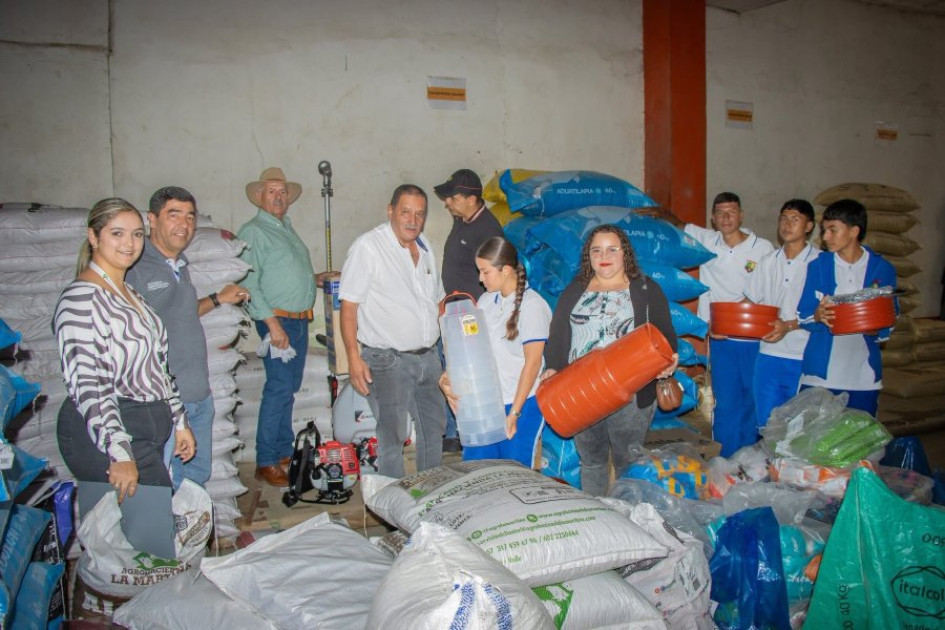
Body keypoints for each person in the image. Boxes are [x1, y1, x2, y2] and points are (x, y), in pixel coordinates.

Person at [54, 198, 196, 503]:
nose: (129, 244)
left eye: (136, 234)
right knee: (148, 534)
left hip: (143, 427)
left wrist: (179, 422)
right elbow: (87, 381)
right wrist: (118, 451)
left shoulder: (129, 294)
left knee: (144, 536)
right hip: (112, 430)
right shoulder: (82, 298)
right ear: (93, 237)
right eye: (117, 233)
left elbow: (158, 368)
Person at [541, 225, 679, 497]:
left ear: (624, 253)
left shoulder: (644, 288)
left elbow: (665, 334)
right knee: (591, 461)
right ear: (588, 256)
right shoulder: (575, 289)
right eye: (597, 250)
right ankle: (599, 518)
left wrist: (669, 360)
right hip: (582, 391)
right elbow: (558, 334)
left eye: (612, 249)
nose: (604, 255)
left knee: (627, 461)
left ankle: (628, 518)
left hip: (631, 392)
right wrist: (554, 367)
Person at [126, 186, 249, 489]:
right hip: (165, 401)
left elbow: (183, 313)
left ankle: (190, 534)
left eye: (190, 217)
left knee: (196, 479)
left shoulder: (180, 266)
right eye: (174, 215)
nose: (184, 224)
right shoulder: (135, 270)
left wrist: (218, 299)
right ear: (151, 220)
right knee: (172, 483)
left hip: (198, 395)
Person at [651, 193, 774, 456]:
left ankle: (751, 457)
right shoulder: (706, 241)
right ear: (713, 218)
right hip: (721, 338)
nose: (726, 218)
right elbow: (679, 223)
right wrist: (655, 210)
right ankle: (727, 458)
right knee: (727, 402)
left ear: (741, 215)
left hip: (755, 340)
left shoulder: (762, 249)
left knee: (752, 400)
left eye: (731, 212)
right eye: (720, 212)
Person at [339, 184, 446, 479]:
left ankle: (429, 496)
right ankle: (392, 510)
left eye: (419, 214)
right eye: (405, 212)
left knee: (433, 428)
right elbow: (349, 307)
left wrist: (450, 349)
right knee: (393, 435)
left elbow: (437, 301)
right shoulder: (369, 247)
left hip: (428, 357)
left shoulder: (425, 247)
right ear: (391, 211)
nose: (412, 220)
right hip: (388, 358)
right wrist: (353, 357)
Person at [438, 236, 552, 467]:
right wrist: (449, 380)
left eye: (485, 271)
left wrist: (515, 414)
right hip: (487, 403)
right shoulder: (486, 302)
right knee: (479, 471)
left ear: (506, 270)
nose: (480, 278)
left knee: (514, 475)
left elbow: (531, 364)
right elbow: (469, 350)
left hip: (521, 404)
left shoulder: (533, 306)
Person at [237, 168, 317, 487]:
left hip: (296, 321)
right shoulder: (254, 231)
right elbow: (248, 281)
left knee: (288, 389)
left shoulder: (285, 228)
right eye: (271, 191)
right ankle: (266, 460)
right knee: (278, 389)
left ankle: (283, 452)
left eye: (282, 191)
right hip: (278, 321)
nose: (278, 196)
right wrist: (271, 324)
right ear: (259, 196)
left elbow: (287, 272)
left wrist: (316, 279)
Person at [797, 199, 897, 416]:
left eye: (833, 230)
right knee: (814, 443)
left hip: (863, 377)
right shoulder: (819, 266)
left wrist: (876, 330)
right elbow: (803, 313)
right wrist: (817, 315)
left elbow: (891, 317)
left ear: (854, 231)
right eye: (824, 230)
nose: (825, 237)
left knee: (859, 444)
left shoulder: (881, 268)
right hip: (821, 375)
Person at [433, 168, 504, 453]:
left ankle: (468, 430)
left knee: (466, 371)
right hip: (454, 312)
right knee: (450, 369)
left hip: (471, 317)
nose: (447, 203)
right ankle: (453, 432)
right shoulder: (462, 221)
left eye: (452, 197)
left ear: (470, 198)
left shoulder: (487, 230)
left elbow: (495, 278)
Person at [743, 199, 818, 429]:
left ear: (809, 226)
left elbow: (825, 313)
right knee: (766, 422)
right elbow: (751, 301)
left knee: (799, 426)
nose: (787, 224)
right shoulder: (768, 261)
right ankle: (771, 466)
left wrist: (789, 325)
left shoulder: (819, 262)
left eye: (795, 219)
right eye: (783, 218)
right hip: (768, 354)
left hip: (803, 354)